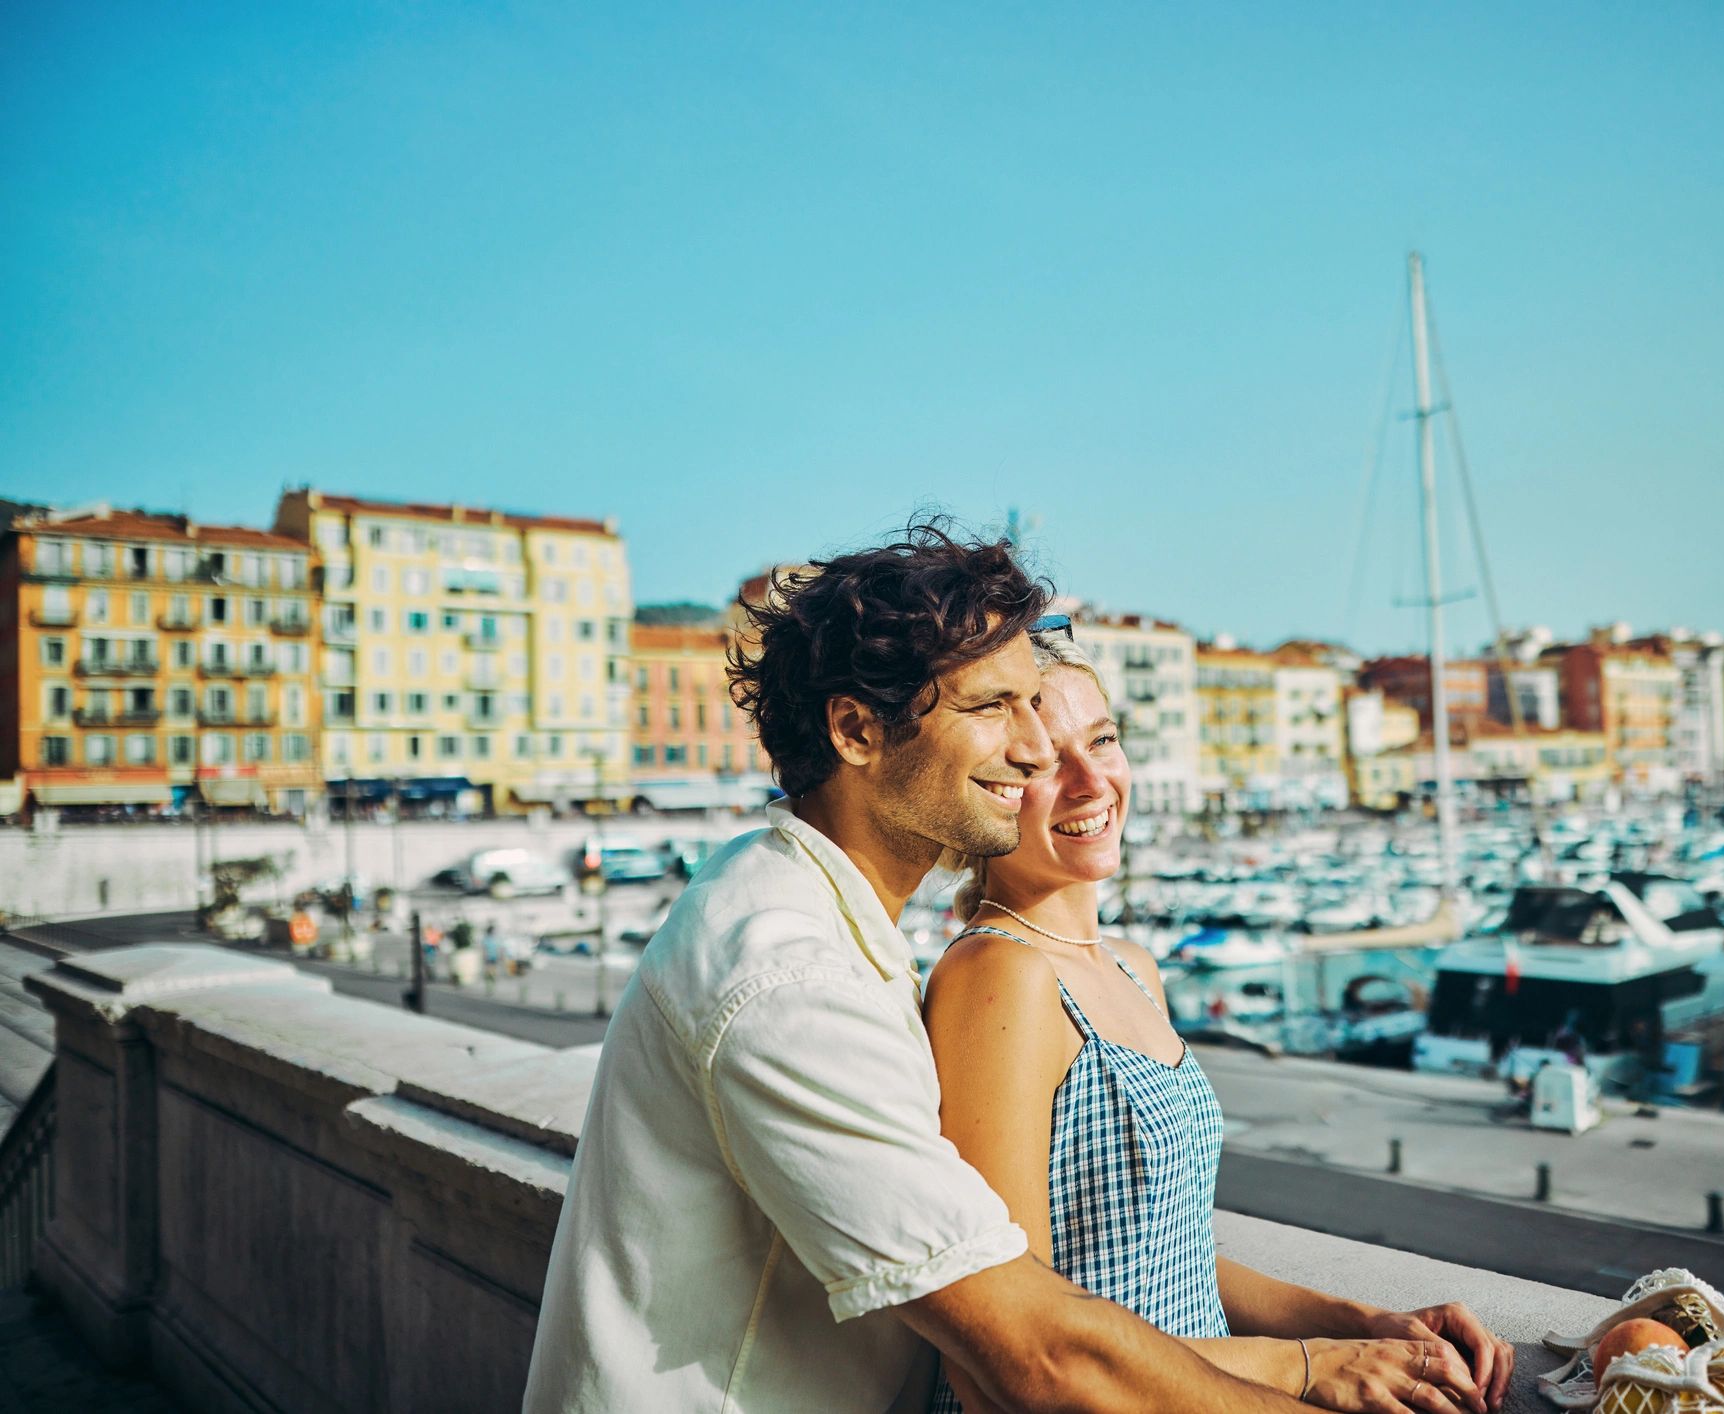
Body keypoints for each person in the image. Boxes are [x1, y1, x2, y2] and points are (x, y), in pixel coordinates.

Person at [524, 523, 1316, 1412]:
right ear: (857, 731)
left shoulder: (804, 911)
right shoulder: (790, 978)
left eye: (1034, 706)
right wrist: (1311, 1370)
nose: (1031, 748)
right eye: (991, 709)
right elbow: (1032, 1356)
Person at [923, 623, 1516, 1414]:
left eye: (1102, 740)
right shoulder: (998, 975)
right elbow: (1017, 1344)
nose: (1090, 781)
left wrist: (1370, 1323)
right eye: (1041, 761)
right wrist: (1309, 1364)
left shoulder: (1133, 966)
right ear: (995, 785)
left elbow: (1173, 1261)